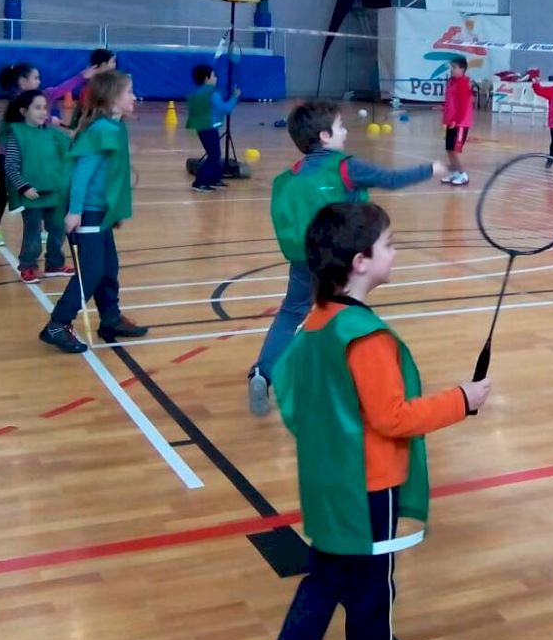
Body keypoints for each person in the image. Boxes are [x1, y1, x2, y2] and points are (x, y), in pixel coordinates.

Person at [251, 201, 491, 640]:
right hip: (368, 488)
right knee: (371, 592)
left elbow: (291, 395)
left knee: (323, 581)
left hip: (326, 482)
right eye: (389, 245)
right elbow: (393, 417)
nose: (395, 252)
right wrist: (461, 400)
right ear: (360, 262)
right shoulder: (365, 336)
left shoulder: (316, 323)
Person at [247, 101, 446, 417]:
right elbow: (391, 179)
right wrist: (430, 169)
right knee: (344, 317)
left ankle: (262, 372)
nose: (345, 133)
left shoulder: (292, 175)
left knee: (291, 313)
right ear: (324, 136)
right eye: (340, 127)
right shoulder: (345, 167)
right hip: (339, 260)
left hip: (303, 259)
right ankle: (345, 383)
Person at [40, 71, 149, 354]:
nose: (134, 97)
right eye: (129, 92)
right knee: (91, 272)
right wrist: (75, 211)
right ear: (112, 99)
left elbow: (113, 176)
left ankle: (110, 318)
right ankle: (57, 324)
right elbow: (81, 173)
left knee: (108, 268)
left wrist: (116, 210)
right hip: (87, 212)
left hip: (101, 212)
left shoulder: (114, 127)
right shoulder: (100, 130)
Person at [0, 59, 96, 247]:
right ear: (23, 82)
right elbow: (21, 124)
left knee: (39, 187)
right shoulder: (18, 104)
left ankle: (41, 227)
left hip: (32, 153)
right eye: (35, 78)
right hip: (8, 153)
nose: (39, 81)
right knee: (4, 191)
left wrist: (81, 77)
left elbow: (58, 93)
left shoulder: (40, 97)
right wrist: (48, 119)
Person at [3, 90, 73, 284]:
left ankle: (55, 264)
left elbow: (72, 149)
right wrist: (24, 188)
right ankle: (28, 266)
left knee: (58, 230)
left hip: (56, 194)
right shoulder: (17, 133)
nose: (43, 112)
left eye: (45, 107)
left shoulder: (53, 133)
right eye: (37, 108)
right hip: (32, 195)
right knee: (33, 233)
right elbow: (10, 165)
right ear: (24, 111)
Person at [186, 64, 240, 192]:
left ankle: (214, 179)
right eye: (214, 75)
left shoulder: (197, 93)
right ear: (207, 78)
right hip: (209, 128)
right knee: (214, 156)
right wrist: (235, 97)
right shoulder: (212, 94)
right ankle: (199, 183)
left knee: (215, 154)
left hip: (202, 128)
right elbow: (225, 108)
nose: (216, 78)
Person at [66, 49, 118, 132]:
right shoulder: (93, 82)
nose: (115, 65)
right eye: (113, 62)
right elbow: (84, 106)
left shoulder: (108, 80)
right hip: (87, 120)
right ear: (104, 64)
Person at [441, 57, 473, 186]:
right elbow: (450, 102)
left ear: (462, 69)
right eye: (451, 67)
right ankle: (455, 172)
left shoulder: (463, 84)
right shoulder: (451, 82)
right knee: (449, 149)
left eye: (454, 67)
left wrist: (456, 119)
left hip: (460, 123)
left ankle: (463, 175)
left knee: (455, 150)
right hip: (451, 121)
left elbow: (463, 106)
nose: (452, 70)